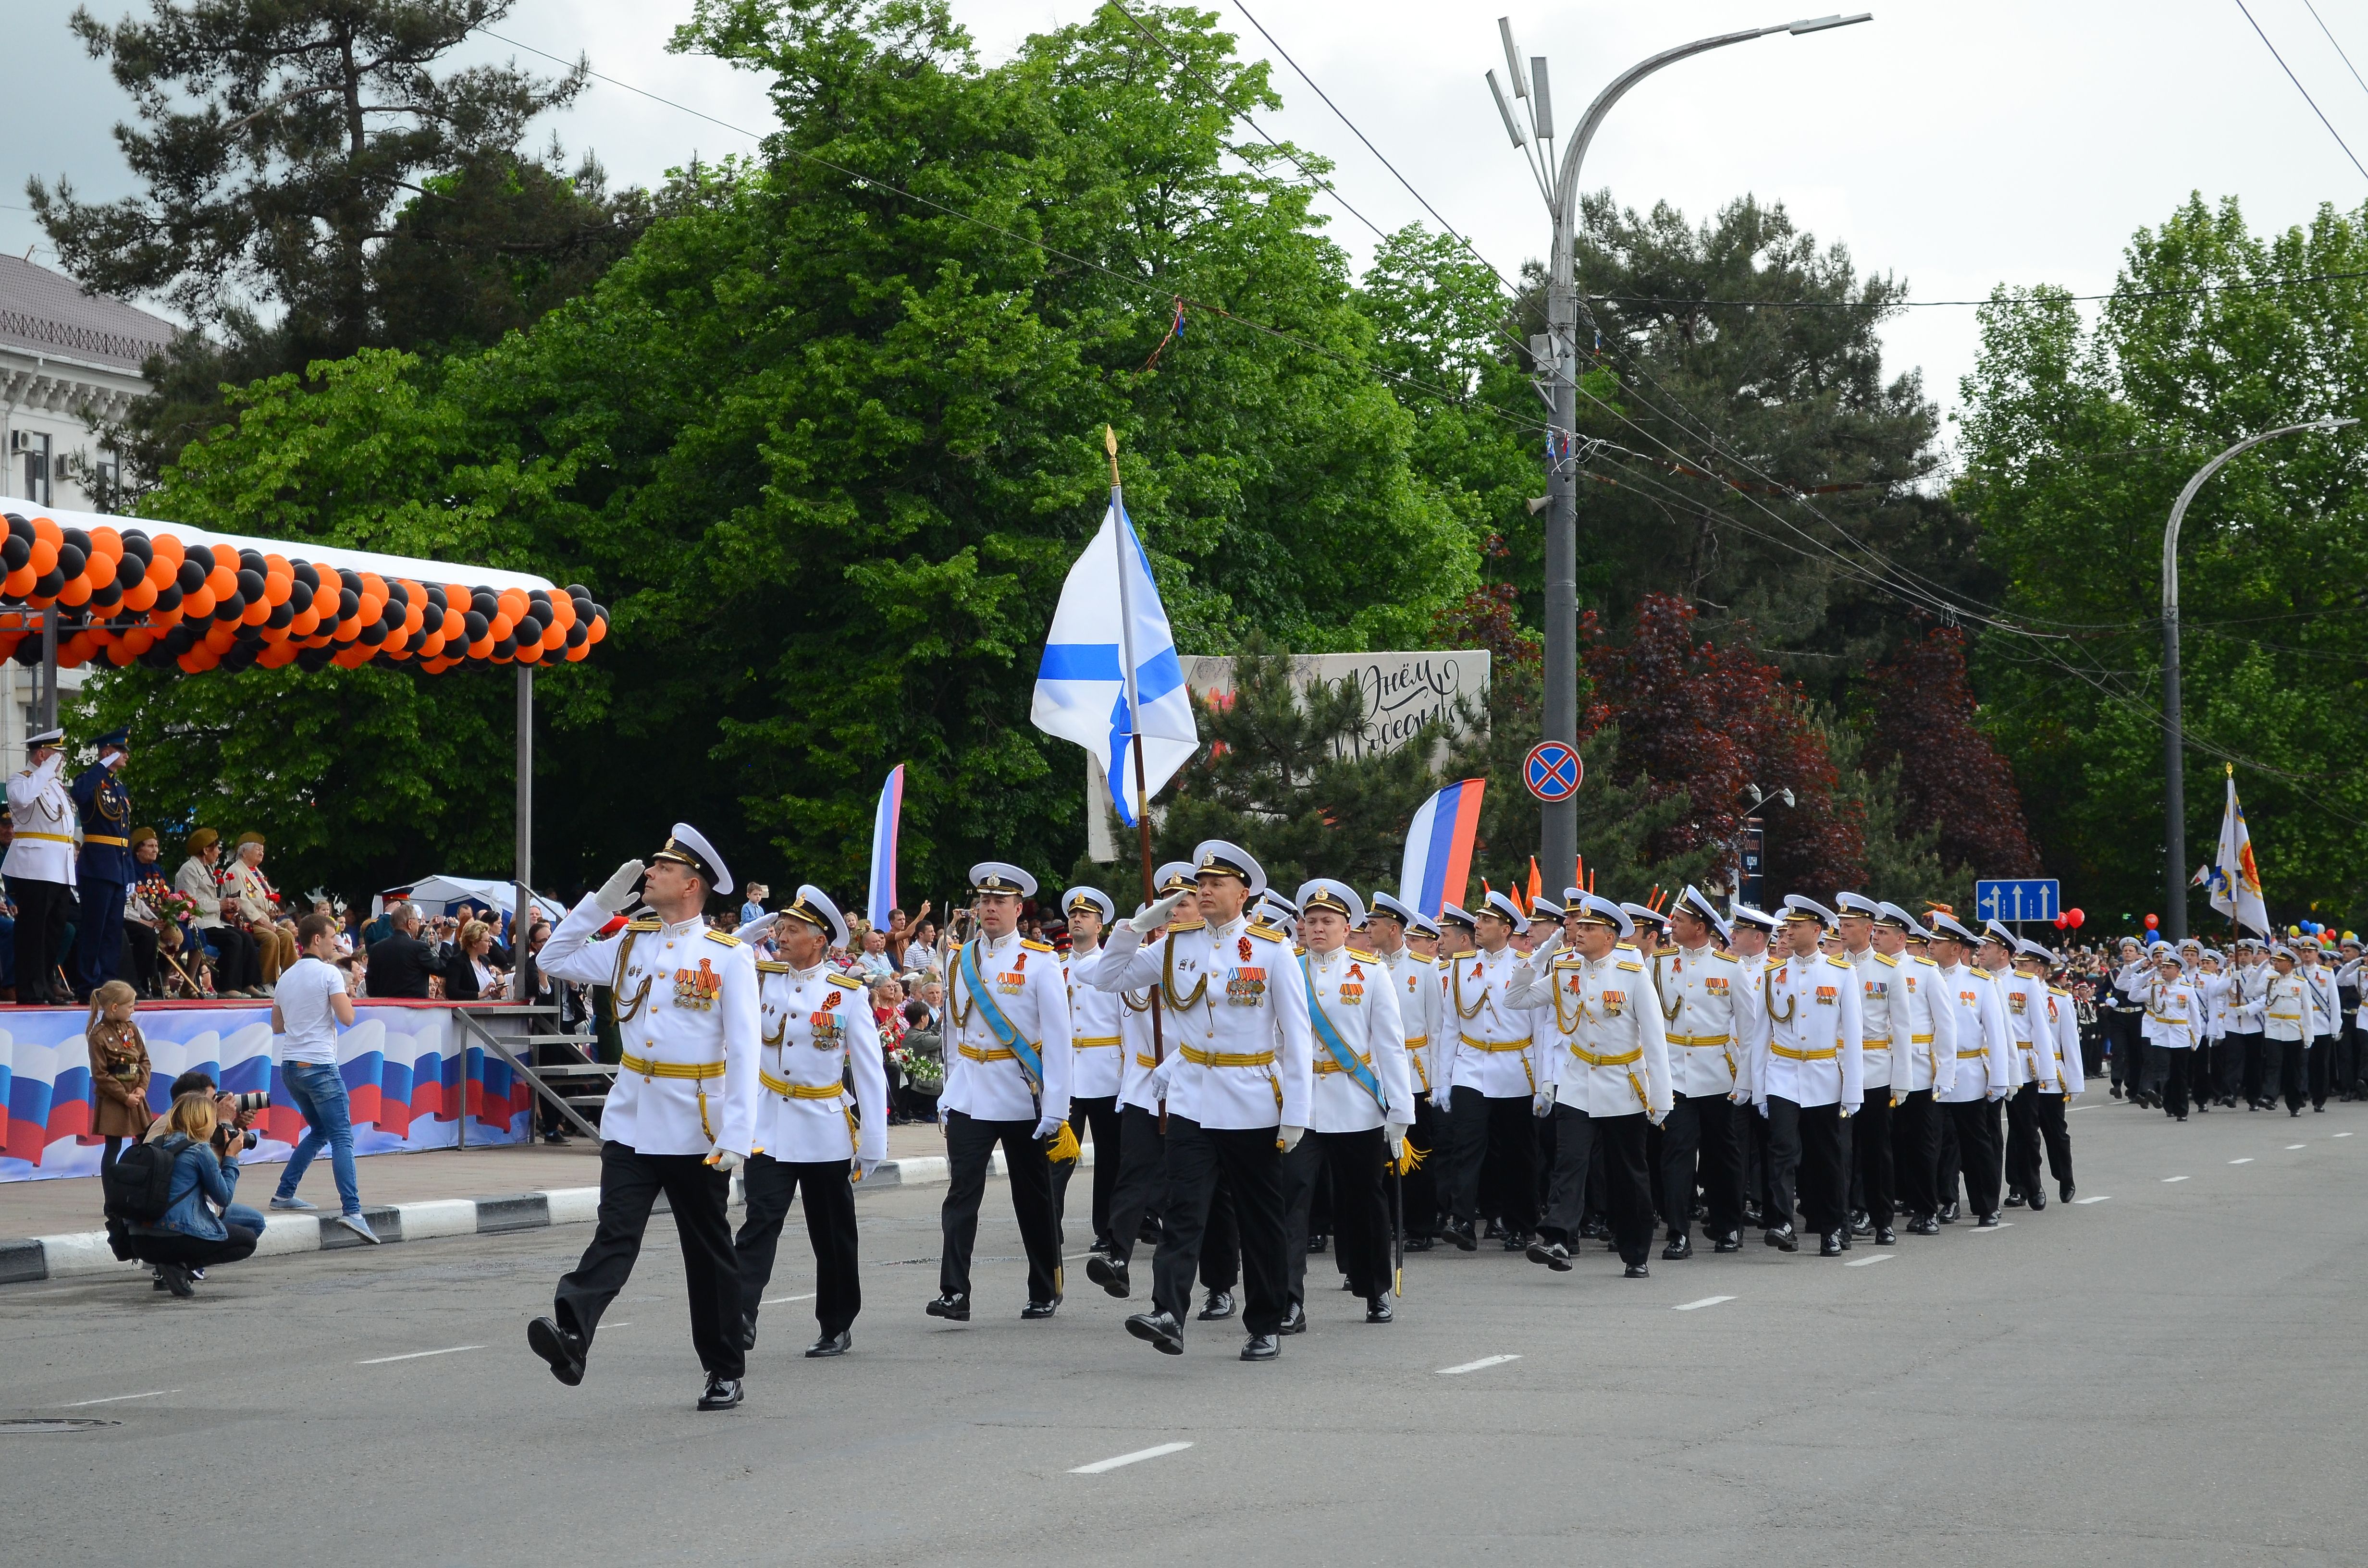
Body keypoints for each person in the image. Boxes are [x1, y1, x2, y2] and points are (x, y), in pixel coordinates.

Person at [528, 824, 760, 1411]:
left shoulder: (727, 956)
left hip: (696, 1125)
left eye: (660, 867)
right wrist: (598, 907)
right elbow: (552, 957)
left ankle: (723, 1369)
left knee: (707, 1252)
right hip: (632, 1117)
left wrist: (737, 1133)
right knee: (616, 1231)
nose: (647, 874)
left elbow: (746, 1048)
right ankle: (574, 1335)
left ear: (691, 884)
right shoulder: (632, 941)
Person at [1090, 842, 1308, 1361]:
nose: (1203, 892)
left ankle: (1264, 1323)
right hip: (1191, 1098)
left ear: (1244, 892)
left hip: (1251, 1099)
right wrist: (1134, 929)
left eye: (1215, 884)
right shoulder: (1175, 946)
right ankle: (1168, 1312)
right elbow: (1106, 979)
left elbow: (1297, 1038)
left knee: (1259, 1221)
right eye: (1199, 885)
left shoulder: (1272, 951)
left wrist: (1297, 1114)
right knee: (1183, 1213)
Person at [1079, 862, 1245, 1320]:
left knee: (1207, 1196)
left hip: (1195, 1086)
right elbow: (1094, 972)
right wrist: (1135, 930)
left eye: (1184, 903)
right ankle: (1117, 1254)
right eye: (1167, 907)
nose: (1175, 913)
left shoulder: (1215, 957)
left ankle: (1219, 1285)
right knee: (1133, 1173)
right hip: (1142, 1087)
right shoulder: (1152, 955)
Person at [731, 885, 887, 1360]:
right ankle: (738, 1315)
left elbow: (868, 1069)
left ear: (819, 940)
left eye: (791, 930)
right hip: (770, 1123)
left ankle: (836, 1323)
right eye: (780, 927)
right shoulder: (762, 977)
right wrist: (758, 925)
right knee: (759, 1221)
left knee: (832, 1233)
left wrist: (873, 1142)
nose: (781, 936)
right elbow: (724, 955)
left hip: (823, 1126)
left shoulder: (846, 994)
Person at [931, 862, 1075, 1323]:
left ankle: (1043, 1288)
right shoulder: (960, 958)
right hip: (972, 1092)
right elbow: (954, 1030)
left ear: (1018, 909)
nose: (990, 908)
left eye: (1000, 902)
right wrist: (949, 1089)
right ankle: (955, 1292)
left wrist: (1056, 1105)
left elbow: (1059, 1039)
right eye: (985, 901)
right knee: (960, 1195)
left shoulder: (1040, 961)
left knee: (1032, 1198)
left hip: (1020, 1094)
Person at [1511, 892, 1673, 1278]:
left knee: (1629, 1172)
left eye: (1588, 927)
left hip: (1624, 1084)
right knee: (1569, 1165)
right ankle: (1557, 1239)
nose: (1578, 932)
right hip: (1578, 1081)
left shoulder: (1633, 976)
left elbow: (1653, 1039)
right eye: (1577, 926)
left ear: (1610, 937)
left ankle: (1636, 1252)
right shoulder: (1565, 970)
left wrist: (1661, 1095)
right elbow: (1515, 998)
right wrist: (1545, 950)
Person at [1280, 880, 1410, 1326]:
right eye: (1311, 921)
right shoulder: (1287, 967)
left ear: (1347, 927)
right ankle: (1289, 1299)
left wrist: (1401, 1110)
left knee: (1364, 1201)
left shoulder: (1371, 972)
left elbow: (1391, 1045)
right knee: (1291, 1202)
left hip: (1356, 1103)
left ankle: (1375, 1290)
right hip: (1301, 1106)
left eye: (1327, 921)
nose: (1318, 929)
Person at [1748, 896, 1864, 1257]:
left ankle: (1833, 1228)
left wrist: (1853, 1092)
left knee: (1827, 1156)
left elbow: (1854, 1037)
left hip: (1824, 1075)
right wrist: (1759, 1090)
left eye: (1796, 927)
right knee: (1782, 1150)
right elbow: (1760, 1036)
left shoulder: (1841, 973)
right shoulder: (1772, 975)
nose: (1788, 932)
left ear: (1817, 931)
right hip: (1782, 1075)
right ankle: (1783, 1221)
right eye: (1786, 927)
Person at [1649, 886, 1760, 1259]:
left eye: (1678, 920)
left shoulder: (1731, 969)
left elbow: (1749, 1030)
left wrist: (1746, 1081)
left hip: (1717, 1074)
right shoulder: (1660, 964)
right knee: (1676, 1152)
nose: (1671, 925)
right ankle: (1678, 1231)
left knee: (1722, 1155)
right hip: (1675, 1074)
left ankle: (1728, 1226)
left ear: (1700, 927)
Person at [1438, 893, 1542, 1253]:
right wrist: (1443, 1080)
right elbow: (1450, 1026)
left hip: (1515, 1067)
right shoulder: (1461, 965)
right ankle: (1463, 1220)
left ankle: (1520, 1225)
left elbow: (1539, 1028)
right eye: (1478, 920)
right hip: (1471, 1066)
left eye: (1485, 921)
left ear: (1506, 928)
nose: (1478, 926)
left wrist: (1543, 1084)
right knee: (1466, 1146)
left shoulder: (1527, 966)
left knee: (1517, 1152)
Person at [265, 912, 377, 1243]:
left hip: (291, 1066)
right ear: (317, 939)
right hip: (320, 1066)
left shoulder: (286, 976)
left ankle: (285, 1194)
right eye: (332, 938)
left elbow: (277, 1026)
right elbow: (347, 1018)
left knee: (321, 1132)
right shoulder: (329, 974)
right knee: (342, 1136)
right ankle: (353, 1211)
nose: (335, 943)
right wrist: (347, 995)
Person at [122, 1090, 261, 1296]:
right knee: (247, 1240)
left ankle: (172, 1265)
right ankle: (183, 1265)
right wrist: (231, 1157)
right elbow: (224, 1198)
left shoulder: (154, 1144)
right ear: (204, 1119)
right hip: (175, 1236)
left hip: (140, 1242)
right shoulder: (199, 1151)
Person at [1367, 893, 1444, 1250]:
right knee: (1378, 1153)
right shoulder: (1364, 966)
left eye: (1373, 924)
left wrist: (1438, 1080)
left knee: (1415, 1153)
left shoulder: (1424, 968)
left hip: (1414, 1070)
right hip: (1373, 1071)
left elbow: (1437, 1028)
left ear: (1393, 929)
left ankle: (1419, 1225)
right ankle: (1387, 1223)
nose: (1368, 930)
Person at [1877, 905, 1958, 1235]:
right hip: (1880, 1065)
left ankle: (1928, 1209)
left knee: (1921, 1142)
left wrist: (1945, 1074)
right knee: (1883, 1141)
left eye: (1883, 933)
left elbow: (1946, 1024)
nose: (1876, 937)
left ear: (1901, 938)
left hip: (1919, 1067)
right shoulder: (1867, 969)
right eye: (1875, 932)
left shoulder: (1925, 971)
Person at [1057, 886, 1126, 1255]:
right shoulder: (1055, 967)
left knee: (1110, 1157)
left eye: (1086, 916)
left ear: (1101, 925)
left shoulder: (1112, 967)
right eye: (1074, 915)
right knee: (1058, 1154)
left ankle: (1107, 1228)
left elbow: (1127, 1025)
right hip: (1067, 1074)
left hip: (1106, 1073)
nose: (1078, 919)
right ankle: (1049, 1222)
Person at [1834, 892, 1904, 1245]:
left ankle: (1882, 1219)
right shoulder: (1831, 966)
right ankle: (1841, 1220)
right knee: (1841, 1151)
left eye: (1848, 925)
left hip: (1876, 1068)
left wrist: (1901, 1080)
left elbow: (1902, 1028)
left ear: (1868, 929)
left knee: (1877, 1149)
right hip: (1839, 1069)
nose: (1841, 930)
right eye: (1840, 924)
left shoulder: (1889, 970)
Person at [5, 726, 75, 1005]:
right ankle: (30, 989)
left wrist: (48, 773)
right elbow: (22, 800)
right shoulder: (20, 780)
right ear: (42, 755)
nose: (61, 762)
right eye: (56, 756)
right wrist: (44, 769)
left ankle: (46, 984)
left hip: (59, 864)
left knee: (54, 929)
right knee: (33, 930)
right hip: (34, 865)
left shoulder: (54, 784)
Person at [70, 727, 136, 997]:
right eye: (121, 752)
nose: (126, 757)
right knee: (94, 930)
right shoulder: (91, 780)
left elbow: (125, 832)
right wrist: (101, 765)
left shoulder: (119, 787)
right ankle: (87, 984)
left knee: (112, 932)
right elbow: (79, 794)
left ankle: (108, 984)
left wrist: (130, 872)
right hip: (97, 865)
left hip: (118, 867)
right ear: (107, 752)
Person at [85, 978, 153, 1176]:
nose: (133, 1011)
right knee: (113, 1148)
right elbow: (101, 1074)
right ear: (115, 1007)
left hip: (136, 1096)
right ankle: (111, 1196)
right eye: (130, 1006)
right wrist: (125, 1097)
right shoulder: (98, 1036)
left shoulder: (131, 1029)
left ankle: (146, 1186)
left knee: (147, 1141)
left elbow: (144, 1061)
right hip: (114, 1099)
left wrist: (142, 1087)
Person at [177, 830, 255, 996]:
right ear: (206, 850)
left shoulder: (206, 869)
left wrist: (227, 907)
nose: (219, 852)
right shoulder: (189, 870)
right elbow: (189, 903)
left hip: (213, 921)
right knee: (233, 940)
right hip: (198, 922)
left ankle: (248, 984)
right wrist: (220, 905)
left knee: (245, 938)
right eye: (217, 848)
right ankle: (227, 987)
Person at [2262, 945, 2310, 1117]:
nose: (2276, 964)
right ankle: (2269, 1097)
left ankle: (2294, 1103)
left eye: (2280, 962)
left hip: (2293, 1030)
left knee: (2293, 1069)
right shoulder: (2271, 981)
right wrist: (2259, 970)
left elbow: (2308, 1012)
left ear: (2290, 964)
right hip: (2274, 1029)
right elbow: (2250, 991)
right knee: (2273, 1064)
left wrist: (2309, 1035)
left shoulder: (2301, 984)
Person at [364, 902, 445, 999]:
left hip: (385, 1010)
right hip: (414, 1010)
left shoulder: (375, 949)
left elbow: (370, 988)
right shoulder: (418, 948)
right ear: (410, 923)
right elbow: (443, 968)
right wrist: (447, 940)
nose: (419, 924)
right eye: (418, 921)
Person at [444, 919, 507, 1002]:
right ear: (474, 943)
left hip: (490, 1011)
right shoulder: (457, 962)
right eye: (487, 941)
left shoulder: (486, 960)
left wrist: (496, 995)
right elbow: (452, 992)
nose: (490, 944)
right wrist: (481, 994)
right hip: (470, 1012)